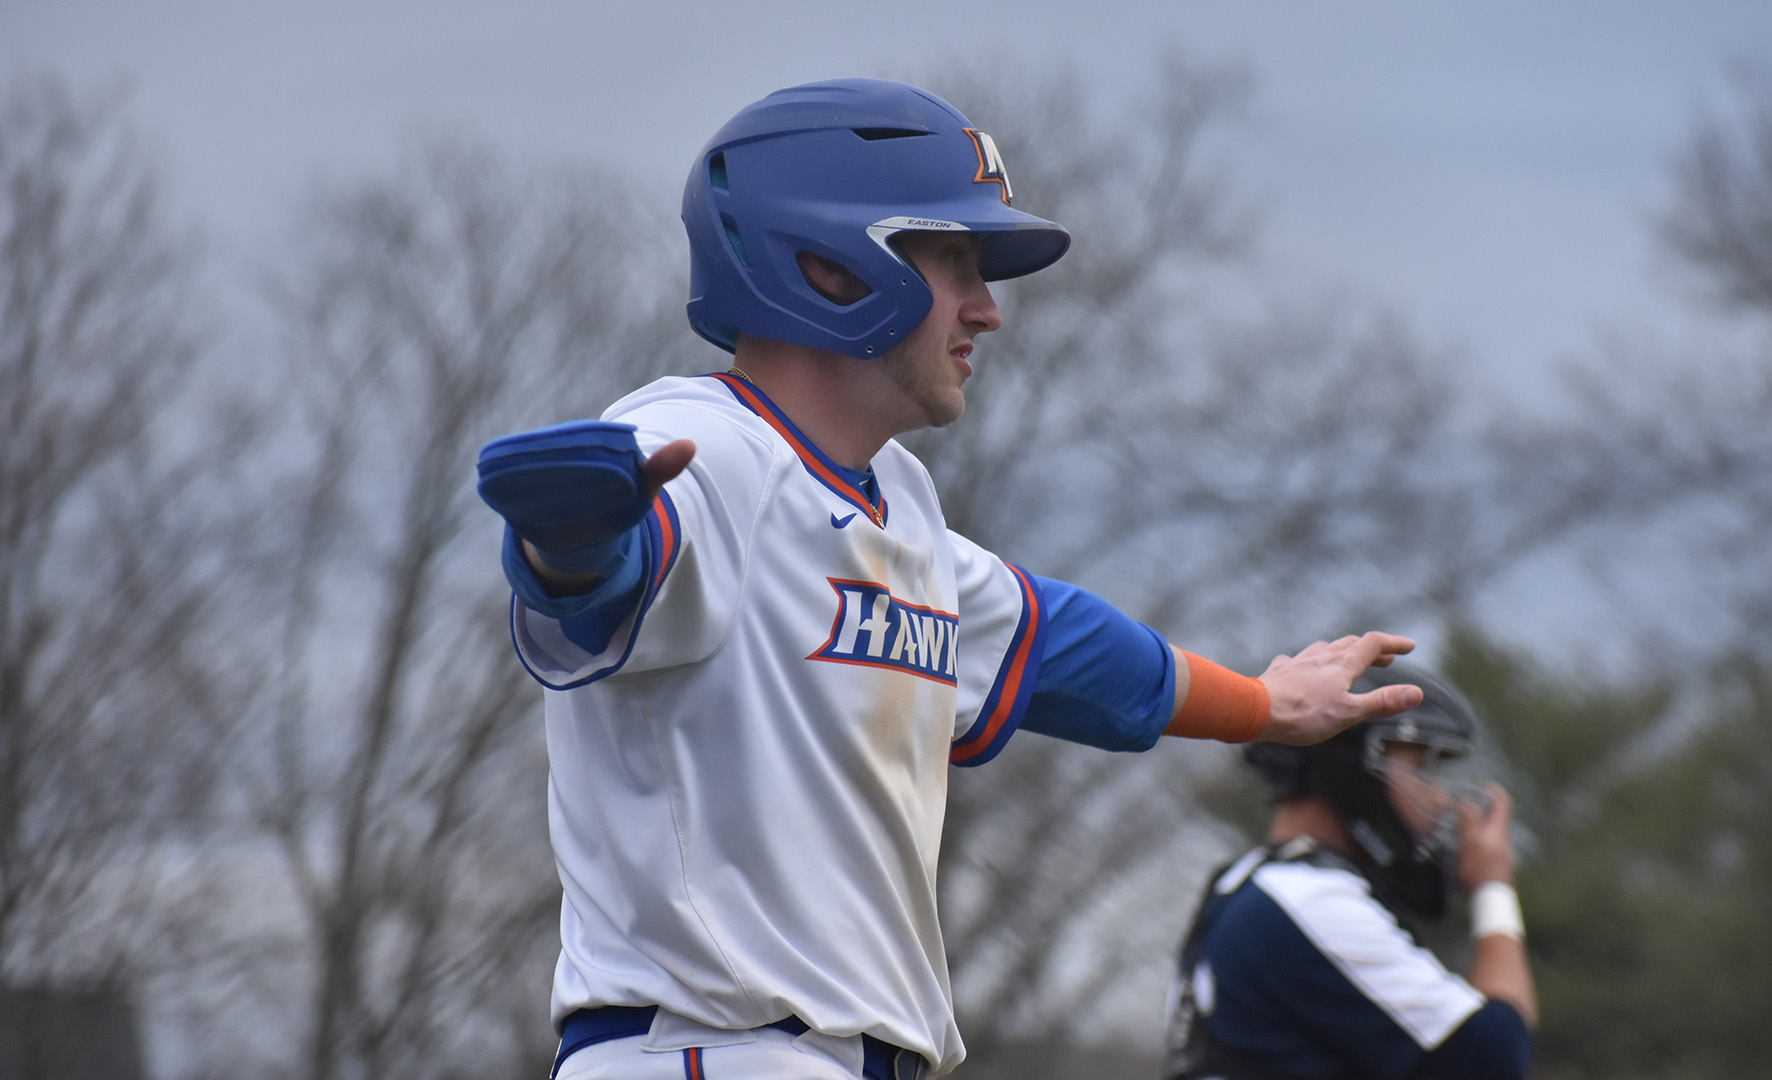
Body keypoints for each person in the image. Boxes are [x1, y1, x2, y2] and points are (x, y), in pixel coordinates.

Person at [476, 77, 1425, 1080]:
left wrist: (1262, 703)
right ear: (829, 264)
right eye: (955, 260)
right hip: (710, 1050)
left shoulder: (897, 497)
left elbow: (1057, 644)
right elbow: (610, 573)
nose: (988, 309)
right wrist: (567, 544)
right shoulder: (700, 442)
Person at [1163, 665, 1536, 1080]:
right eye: (1420, 770)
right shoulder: (1309, 899)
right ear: (1352, 765)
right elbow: (1495, 1059)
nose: (1439, 797)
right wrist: (1493, 888)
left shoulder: (1243, 883)